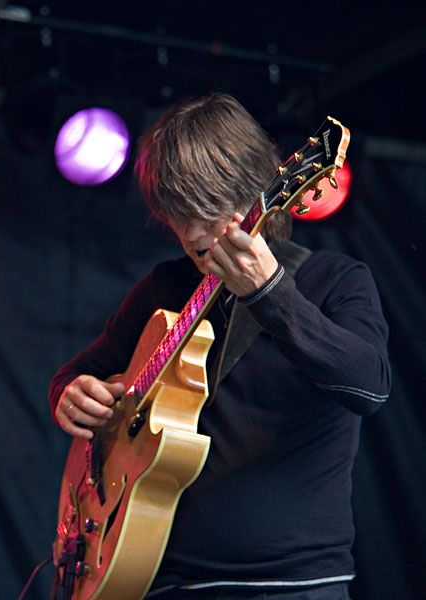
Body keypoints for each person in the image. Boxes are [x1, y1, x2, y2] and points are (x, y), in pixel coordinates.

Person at [49, 93, 390, 598]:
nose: (189, 233)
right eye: (177, 215)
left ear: (253, 191)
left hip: (292, 583)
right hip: (158, 578)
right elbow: (79, 374)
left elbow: (369, 387)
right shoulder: (164, 288)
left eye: (203, 211)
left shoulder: (334, 280)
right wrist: (70, 394)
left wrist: (271, 295)